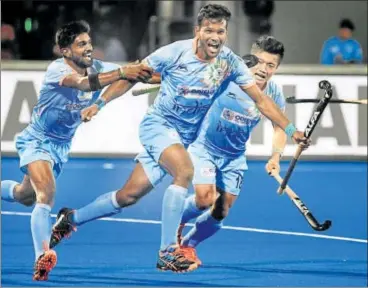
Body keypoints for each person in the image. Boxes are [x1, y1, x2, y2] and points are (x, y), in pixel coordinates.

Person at [50, 4, 309, 273]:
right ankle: (167, 252)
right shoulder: (174, 52)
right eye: (209, 30)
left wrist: (291, 131)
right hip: (159, 126)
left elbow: (262, 101)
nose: (215, 36)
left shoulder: (230, 63)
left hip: (183, 137)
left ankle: (71, 218)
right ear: (198, 31)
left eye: (221, 31)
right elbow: (131, 75)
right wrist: (100, 103)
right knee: (185, 171)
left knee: (127, 196)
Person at [1, 20, 152, 281]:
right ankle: (42, 256)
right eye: (81, 44)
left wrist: (158, 75)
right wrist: (123, 71)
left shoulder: (99, 67)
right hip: (37, 140)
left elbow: (133, 74)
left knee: (24, 194)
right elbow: (85, 84)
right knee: (46, 194)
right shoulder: (57, 70)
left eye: (89, 43)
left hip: (60, 147)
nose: (89, 48)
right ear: (65, 51)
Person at [175, 36, 299, 268]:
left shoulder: (273, 93)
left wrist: (276, 156)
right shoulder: (227, 77)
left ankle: (189, 245)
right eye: (259, 62)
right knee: (204, 199)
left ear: (277, 68)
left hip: (234, 157)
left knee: (221, 212)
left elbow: (280, 127)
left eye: (270, 65)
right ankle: (177, 222)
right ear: (250, 59)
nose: (263, 69)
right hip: (205, 148)